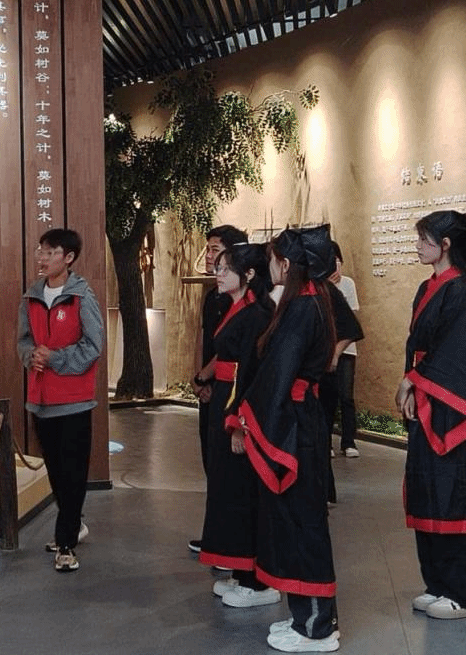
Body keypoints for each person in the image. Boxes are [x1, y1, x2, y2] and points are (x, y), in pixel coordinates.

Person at [232, 225, 341, 652]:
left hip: (297, 423)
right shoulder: (310, 300)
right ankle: (306, 618)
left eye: (274, 258)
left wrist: (244, 416)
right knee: (299, 520)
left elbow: (278, 373)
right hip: (301, 418)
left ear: (288, 264)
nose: (269, 265)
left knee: (303, 522)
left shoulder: (302, 307)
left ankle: (317, 627)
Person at [394, 210, 466, 620]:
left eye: (423, 239)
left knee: (452, 490)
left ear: (445, 245)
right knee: (427, 487)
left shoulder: (460, 290)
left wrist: (413, 381)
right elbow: (415, 344)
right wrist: (412, 383)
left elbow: (452, 352)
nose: (417, 246)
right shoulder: (426, 287)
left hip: (446, 403)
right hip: (425, 394)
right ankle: (437, 583)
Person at [16, 228, 103, 573]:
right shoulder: (31, 297)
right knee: (54, 469)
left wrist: (56, 358)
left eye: (50, 252)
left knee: (73, 472)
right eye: (41, 251)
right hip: (40, 397)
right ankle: (72, 524)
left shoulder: (82, 296)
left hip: (74, 399)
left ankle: (65, 544)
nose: (42, 257)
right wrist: (32, 356)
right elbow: (23, 340)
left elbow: (93, 346)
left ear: (68, 258)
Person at [194, 243, 277, 607]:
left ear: (249, 274)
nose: (218, 273)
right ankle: (241, 569)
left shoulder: (258, 313)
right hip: (224, 400)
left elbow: (253, 373)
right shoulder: (235, 306)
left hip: (238, 405)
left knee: (243, 490)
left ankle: (258, 581)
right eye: (219, 267)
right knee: (227, 487)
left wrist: (240, 422)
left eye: (226, 269)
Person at [189, 224, 248, 553]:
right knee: (211, 460)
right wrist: (197, 379)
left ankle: (229, 540)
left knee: (228, 466)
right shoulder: (213, 295)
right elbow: (204, 338)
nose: (210, 257)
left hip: (228, 389)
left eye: (215, 250)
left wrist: (205, 378)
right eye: (209, 249)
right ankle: (215, 534)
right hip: (208, 387)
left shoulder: (245, 302)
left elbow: (229, 350)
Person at [325, 242, 363, 458]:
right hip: (326, 348)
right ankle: (327, 441)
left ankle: (349, 441)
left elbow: (352, 317)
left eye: (337, 261)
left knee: (346, 396)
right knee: (327, 396)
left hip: (347, 349)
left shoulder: (348, 284)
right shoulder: (320, 285)